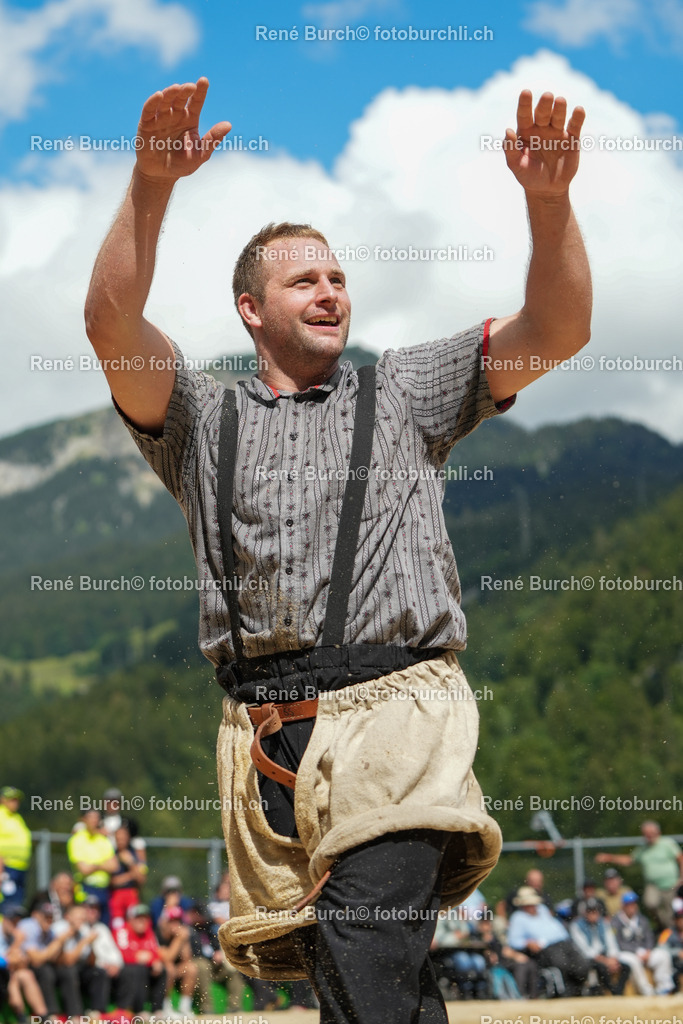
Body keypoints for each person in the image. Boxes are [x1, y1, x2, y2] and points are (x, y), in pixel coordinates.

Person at [84, 76, 591, 1024]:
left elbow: (557, 330)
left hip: (397, 713)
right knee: (364, 970)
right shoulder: (197, 417)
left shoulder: (402, 389)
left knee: (363, 934)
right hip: (262, 732)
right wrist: (151, 184)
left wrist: (550, 203)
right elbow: (110, 325)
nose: (330, 292)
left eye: (338, 278)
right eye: (304, 280)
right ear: (250, 309)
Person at [596, 821, 683, 929]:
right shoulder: (643, 848)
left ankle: (670, 930)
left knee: (670, 910)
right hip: (653, 885)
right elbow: (629, 860)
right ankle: (663, 927)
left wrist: (681, 877)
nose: (648, 836)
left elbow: (681, 858)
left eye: (651, 833)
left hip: (671, 884)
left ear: (658, 833)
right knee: (650, 902)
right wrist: (609, 858)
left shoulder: (667, 843)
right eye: (646, 834)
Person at [506, 886, 590, 996]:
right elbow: (513, 941)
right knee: (563, 965)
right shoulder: (518, 918)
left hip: (564, 942)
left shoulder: (542, 909)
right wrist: (527, 943)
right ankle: (567, 992)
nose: (532, 906)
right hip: (546, 949)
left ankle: (579, 989)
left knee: (582, 964)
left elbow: (556, 926)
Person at [612, 891, 674, 995]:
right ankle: (647, 991)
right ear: (623, 906)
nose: (631, 907)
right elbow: (618, 942)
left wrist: (648, 951)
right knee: (633, 961)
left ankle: (664, 987)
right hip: (626, 953)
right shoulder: (616, 921)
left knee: (663, 955)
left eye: (633, 904)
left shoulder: (642, 919)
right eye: (629, 904)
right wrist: (636, 952)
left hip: (644, 952)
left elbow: (649, 937)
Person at [568, 896, 630, 995]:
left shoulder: (604, 923)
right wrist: (605, 961)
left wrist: (613, 958)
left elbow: (611, 942)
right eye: (590, 911)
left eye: (595, 911)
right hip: (587, 959)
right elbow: (585, 950)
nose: (593, 914)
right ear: (585, 913)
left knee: (626, 967)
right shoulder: (576, 926)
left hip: (603, 956)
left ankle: (618, 992)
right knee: (601, 968)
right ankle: (611, 991)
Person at [66, 810, 118, 923]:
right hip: (85, 889)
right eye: (91, 817)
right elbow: (83, 869)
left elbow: (114, 866)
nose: (94, 820)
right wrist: (103, 864)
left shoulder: (103, 840)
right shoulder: (76, 839)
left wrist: (93, 865)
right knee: (84, 924)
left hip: (104, 890)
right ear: (83, 819)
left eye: (96, 817)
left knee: (103, 925)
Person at [114, 903, 166, 1015]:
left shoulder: (149, 932)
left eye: (145, 918)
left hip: (143, 966)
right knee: (138, 969)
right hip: (124, 969)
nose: (142, 921)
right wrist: (141, 957)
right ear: (130, 919)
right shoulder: (122, 931)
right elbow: (123, 954)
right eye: (138, 918)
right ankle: (137, 1009)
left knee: (162, 969)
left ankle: (157, 1009)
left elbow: (154, 952)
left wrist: (154, 961)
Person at [109, 825, 147, 929]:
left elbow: (141, 879)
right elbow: (112, 882)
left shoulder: (135, 855)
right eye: (118, 837)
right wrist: (131, 875)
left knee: (133, 923)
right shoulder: (111, 854)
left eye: (123, 837)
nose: (121, 840)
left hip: (132, 894)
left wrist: (130, 862)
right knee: (117, 925)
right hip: (116, 896)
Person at [0, 788, 32, 905]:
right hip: (6, 866)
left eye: (17, 800)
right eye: (12, 799)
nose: (15, 802)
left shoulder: (17, 817)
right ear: (3, 799)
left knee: (17, 902)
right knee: (7, 902)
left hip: (19, 866)